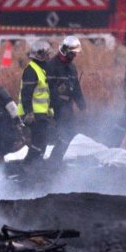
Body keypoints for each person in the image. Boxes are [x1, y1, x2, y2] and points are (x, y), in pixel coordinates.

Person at [44, 36, 86, 164]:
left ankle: (56, 160)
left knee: (70, 134)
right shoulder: (52, 65)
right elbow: (47, 88)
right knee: (62, 134)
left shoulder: (71, 67)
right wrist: (55, 103)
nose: (75, 56)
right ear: (66, 51)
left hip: (67, 107)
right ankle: (53, 162)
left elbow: (75, 87)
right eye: (73, 53)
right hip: (57, 107)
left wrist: (82, 104)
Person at [16, 40, 53, 163]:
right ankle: (29, 165)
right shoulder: (31, 71)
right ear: (41, 56)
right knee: (39, 140)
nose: (49, 56)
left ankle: (35, 165)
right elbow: (26, 94)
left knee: (42, 140)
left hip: (41, 113)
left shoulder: (42, 69)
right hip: (34, 114)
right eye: (47, 54)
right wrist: (29, 113)